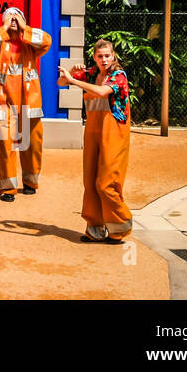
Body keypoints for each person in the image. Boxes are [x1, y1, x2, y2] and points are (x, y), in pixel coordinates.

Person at [60, 39, 133, 243]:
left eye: (107, 55)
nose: (103, 60)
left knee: (106, 183)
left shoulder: (119, 76)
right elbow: (61, 82)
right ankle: (95, 229)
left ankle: (122, 223)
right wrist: (71, 71)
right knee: (90, 181)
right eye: (100, 56)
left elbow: (101, 91)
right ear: (94, 57)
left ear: (113, 56)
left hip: (114, 132)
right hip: (93, 131)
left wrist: (73, 80)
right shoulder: (92, 73)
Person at [0, 6, 51, 201]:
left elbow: (47, 41)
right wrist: (4, 28)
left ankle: (30, 182)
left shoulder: (30, 42)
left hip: (29, 103)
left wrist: (24, 28)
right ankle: (8, 188)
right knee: (5, 145)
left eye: (17, 16)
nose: (13, 19)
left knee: (33, 144)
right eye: (9, 16)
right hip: (4, 103)